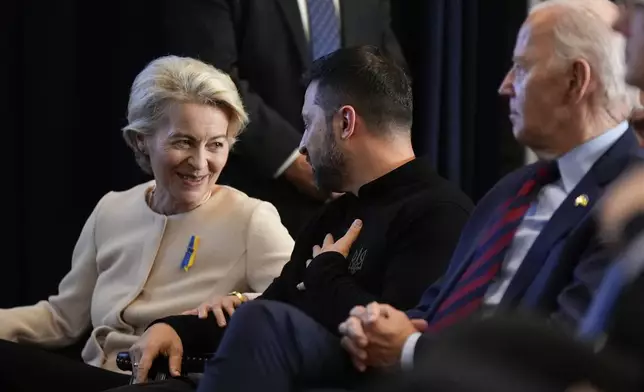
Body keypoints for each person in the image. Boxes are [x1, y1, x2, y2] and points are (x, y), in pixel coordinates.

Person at [118, 1, 644, 391]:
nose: (505, 85)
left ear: (576, 81)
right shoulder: (508, 194)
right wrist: (181, 328)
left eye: (522, 68)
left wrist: (339, 286)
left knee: (262, 324)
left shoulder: (445, 210)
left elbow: (572, 351)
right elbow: (428, 310)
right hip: (403, 367)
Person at [105, 46, 474, 392]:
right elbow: (275, 304)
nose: (301, 144)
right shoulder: (334, 214)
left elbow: (387, 346)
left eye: (308, 122)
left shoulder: (438, 214)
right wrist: (176, 329)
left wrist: (327, 273)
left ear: (345, 123)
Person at [0, 55, 294, 392]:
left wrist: (242, 300)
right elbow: (62, 320)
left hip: (174, 384)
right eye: (183, 141)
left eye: (216, 145)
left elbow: (296, 306)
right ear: (141, 140)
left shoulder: (252, 219)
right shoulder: (112, 209)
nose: (200, 163)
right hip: (98, 375)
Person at [150, 0, 407, 236]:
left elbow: (389, 82)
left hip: (359, 210)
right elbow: (209, 78)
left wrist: (367, 158)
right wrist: (294, 159)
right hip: (254, 202)